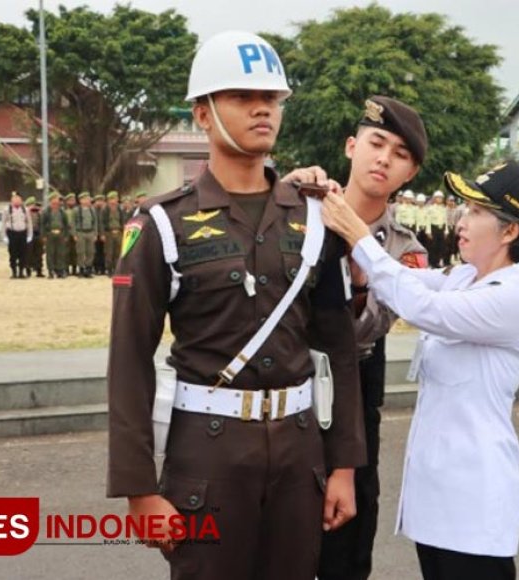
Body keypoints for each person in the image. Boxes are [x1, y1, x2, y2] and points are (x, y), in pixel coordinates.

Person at [106, 30, 365, 580]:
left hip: (300, 456)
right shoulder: (160, 223)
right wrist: (139, 491)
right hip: (207, 459)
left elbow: (338, 349)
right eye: (242, 97)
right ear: (202, 114)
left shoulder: (314, 215)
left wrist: (343, 465)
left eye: (271, 99)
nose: (262, 110)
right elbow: (129, 360)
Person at [322, 162, 519, 580]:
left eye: (477, 212)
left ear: (510, 232)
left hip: (475, 500)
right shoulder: (465, 277)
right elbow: (406, 280)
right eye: (465, 208)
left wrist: (358, 235)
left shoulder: (516, 297)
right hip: (440, 497)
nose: (463, 221)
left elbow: (420, 305)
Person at [289, 96, 429, 580]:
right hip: (285, 378)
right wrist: (280, 189)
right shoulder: (298, 209)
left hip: (355, 384)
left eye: (400, 154)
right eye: (376, 143)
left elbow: (365, 331)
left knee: (348, 534)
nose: (384, 158)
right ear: (351, 146)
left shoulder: (406, 251)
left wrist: (361, 263)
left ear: (409, 174)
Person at [3, 192, 32, 278]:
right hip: (12, 233)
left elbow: (29, 222)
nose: (16, 200)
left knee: (23, 254)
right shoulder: (7, 209)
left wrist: (30, 235)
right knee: (13, 254)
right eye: (14, 198)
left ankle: (21, 272)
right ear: (11, 200)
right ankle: (14, 272)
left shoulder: (25, 209)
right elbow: (3, 223)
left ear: (21, 200)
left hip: (22, 233)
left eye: (18, 198)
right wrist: (4, 236)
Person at [42, 192, 70, 279]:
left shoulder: (62, 212)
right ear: (50, 202)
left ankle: (60, 270)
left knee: (60, 253)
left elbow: (66, 224)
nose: (56, 204)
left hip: (60, 234)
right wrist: (44, 236)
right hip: (50, 234)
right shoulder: (46, 212)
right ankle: (51, 270)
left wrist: (66, 235)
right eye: (53, 202)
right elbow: (42, 224)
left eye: (57, 202)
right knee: (50, 253)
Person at [73, 192, 98, 278]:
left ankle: (88, 268)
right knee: (80, 252)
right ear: (81, 200)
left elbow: (95, 222)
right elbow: (73, 222)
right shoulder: (76, 210)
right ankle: (81, 269)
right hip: (80, 232)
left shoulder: (92, 210)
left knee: (90, 252)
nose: (88, 200)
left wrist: (95, 233)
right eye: (86, 199)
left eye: (88, 199)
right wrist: (74, 234)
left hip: (90, 232)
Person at [101, 190, 126, 275]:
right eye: (112, 199)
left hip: (118, 232)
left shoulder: (120, 209)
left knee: (118, 252)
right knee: (109, 252)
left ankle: (116, 269)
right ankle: (109, 269)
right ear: (109, 200)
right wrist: (102, 234)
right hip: (109, 233)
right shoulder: (105, 210)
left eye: (115, 199)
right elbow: (102, 222)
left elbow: (123, 221)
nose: (114, 201)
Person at [25, 196, 45, 277]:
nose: (33, 207)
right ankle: (28, 270)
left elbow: (42, 223)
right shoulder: (26, 213)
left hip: (37, 234)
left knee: (39, 253)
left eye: (34, 204)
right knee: (28, 253)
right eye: (31, 205)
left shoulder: (39, 213)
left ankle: (39, 270)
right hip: (29, 235)